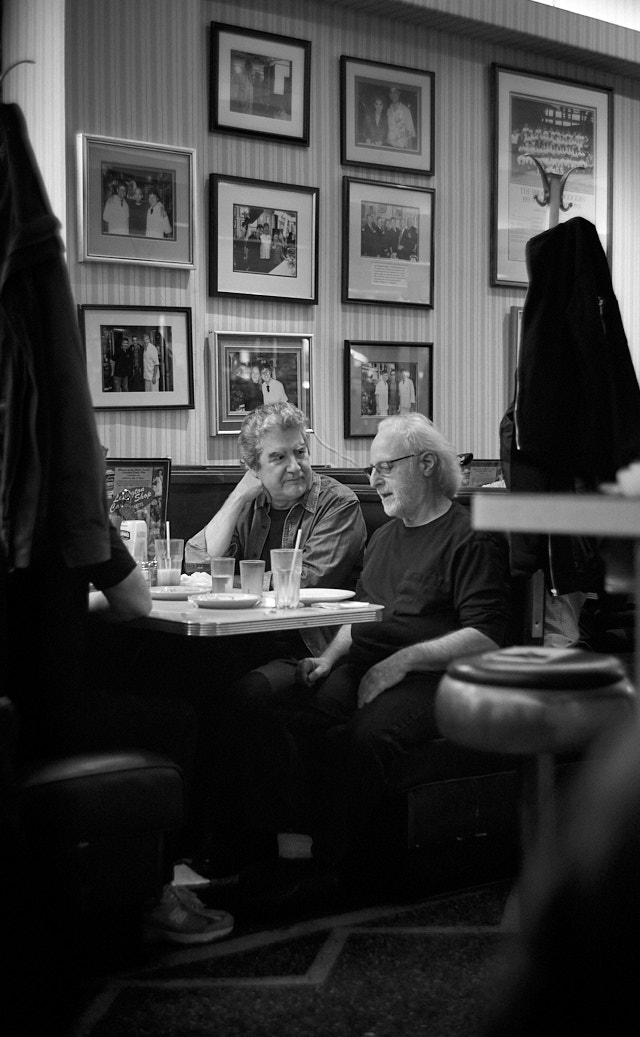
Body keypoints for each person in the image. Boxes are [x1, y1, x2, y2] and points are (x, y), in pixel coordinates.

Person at [221, 414, 511, 909]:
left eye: (385, 468)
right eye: (371, 469)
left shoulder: (470, 536)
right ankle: (287, 857)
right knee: (282, 714)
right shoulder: (385, 536)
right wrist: (331, 659)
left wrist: (401, 665)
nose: (373, 480)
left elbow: (486, 636)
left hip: (437, 675)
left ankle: (344, 872)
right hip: (366, 663)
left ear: (425, 464)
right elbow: (360, 615)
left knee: (365, 738)